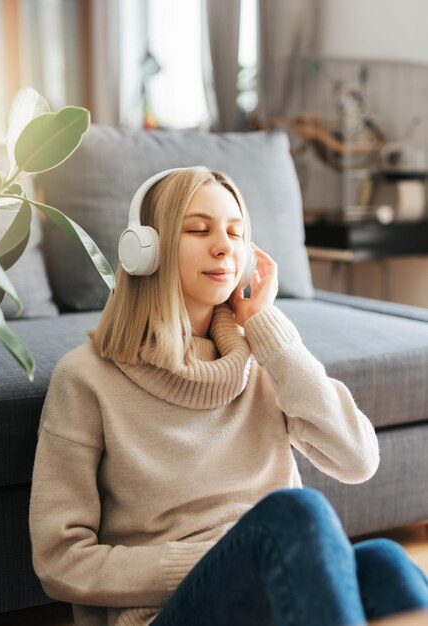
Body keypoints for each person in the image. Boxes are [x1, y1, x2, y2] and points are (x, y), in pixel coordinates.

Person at [29, 166, 428, 626]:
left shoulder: (266, 361)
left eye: (236, 233)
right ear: (146, 249)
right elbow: (60, 561)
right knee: (296, 514)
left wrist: (270, 333)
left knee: (384, 562)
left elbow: (358, 460)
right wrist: (217, 559)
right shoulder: (84, 378)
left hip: (275, 586)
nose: (223, 246)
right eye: (198, 229)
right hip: (164, 613)